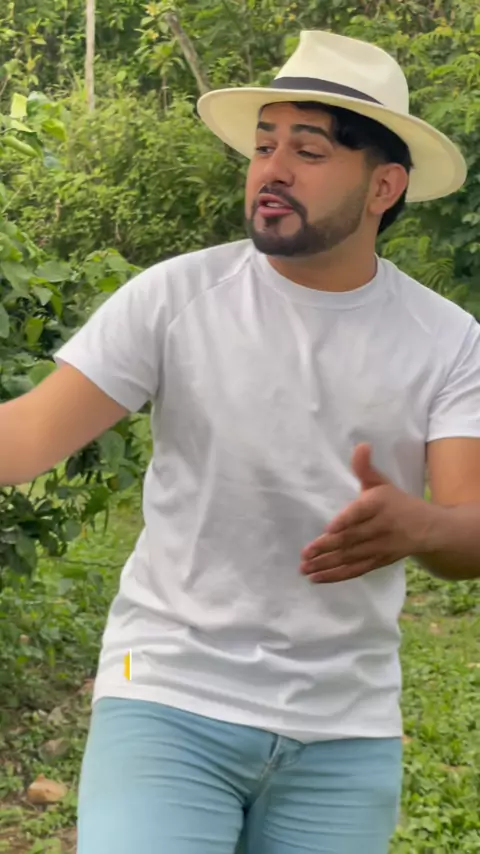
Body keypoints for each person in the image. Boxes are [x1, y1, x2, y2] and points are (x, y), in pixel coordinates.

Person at [4, 30, 480, 854]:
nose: (272, 170)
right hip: (163, 689)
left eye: (308, 150)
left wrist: (425, 527)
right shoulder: (176, 298)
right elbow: (22, 442)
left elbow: (469, 531)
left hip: (345, 728)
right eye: (263, 147)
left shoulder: (448, 341)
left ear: (384, 185)